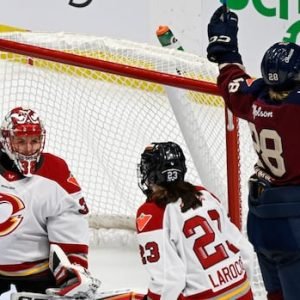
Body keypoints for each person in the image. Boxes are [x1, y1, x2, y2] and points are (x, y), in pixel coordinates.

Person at [207, 5, 300, 300]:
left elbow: (231, 79)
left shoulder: (254, 99)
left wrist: (225, 51)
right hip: (295, 222)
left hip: (261, 221)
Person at [0, 106, 100, 298]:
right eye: (20, 141)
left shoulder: (55, 172)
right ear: (6, 140)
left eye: (34, 141)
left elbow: (70, 227)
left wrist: (73, 271)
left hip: (37, 280)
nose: (28, 149)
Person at [135, 141, 254, 300]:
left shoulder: (151, 213)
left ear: (151, 174)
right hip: (243, 291)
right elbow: (245, 250)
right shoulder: (204, 194)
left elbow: (170, 279)